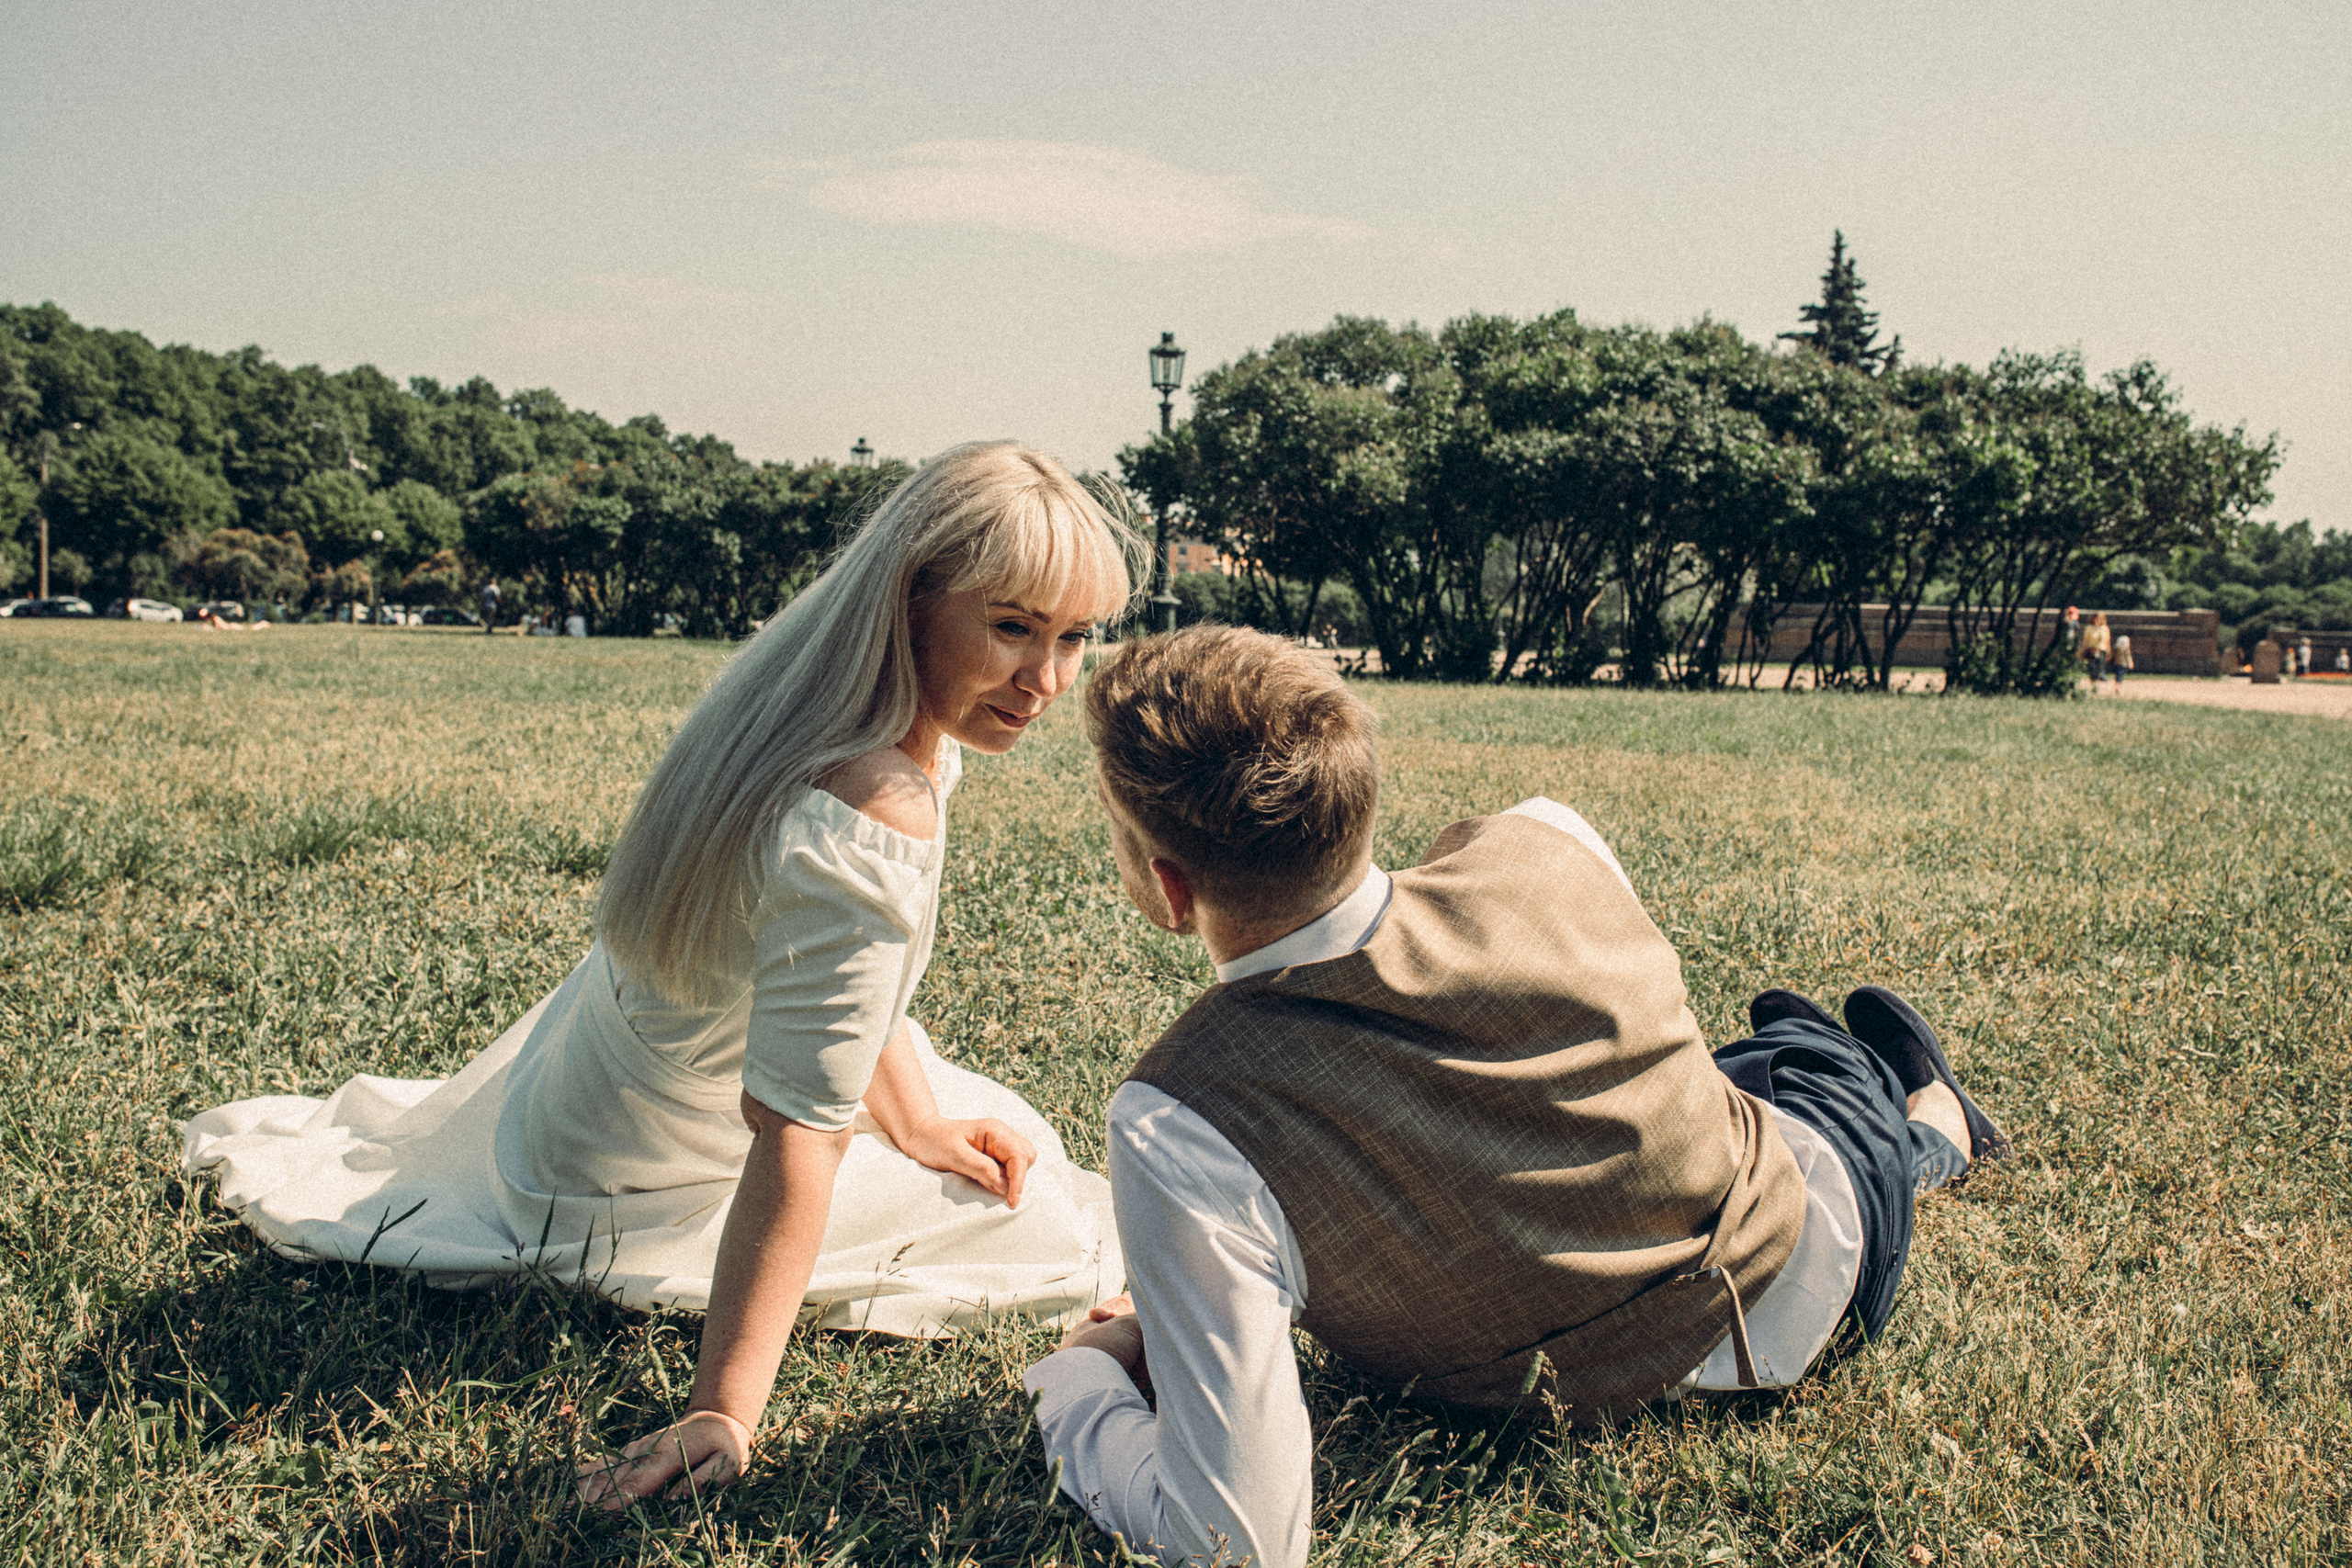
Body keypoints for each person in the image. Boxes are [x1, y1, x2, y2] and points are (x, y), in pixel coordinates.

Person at [186, 443, 1142, 1509]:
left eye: (1074, 639)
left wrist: (914, 1124)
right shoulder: (876, 796)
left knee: (979, 1132)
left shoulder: (805, 714)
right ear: (909, 602)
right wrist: (725, 1408)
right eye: (1012, 628)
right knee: (1052, 1217)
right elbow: (796, 1127)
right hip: (630, 1178)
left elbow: (834, 1000)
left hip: (566, 1108)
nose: (1048, 680)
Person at [1023, 626, 2010, 1568]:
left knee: (1806, 1067)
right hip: (1802, 1275)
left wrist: (1077, 1378)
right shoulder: (1544, 839)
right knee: (1786, 1064)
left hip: (1794, 1225)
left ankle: (1934, 1120)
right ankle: (1910, 1105)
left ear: (1165, 882)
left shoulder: (1178, 1117)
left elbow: (1232, 1541)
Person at [2082, 612, 2112, 686]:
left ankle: (2100, 677)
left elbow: (2107, 641)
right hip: (2092, 649)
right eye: (2097, 618)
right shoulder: (2089, 628)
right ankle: (2093, 680)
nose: (2098, 620)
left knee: (2100, 665)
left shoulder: (2105, 628)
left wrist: (2109, 652)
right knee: (2092, 666)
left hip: (2101, 649)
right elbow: (2086, 640)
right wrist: (2083, 649)